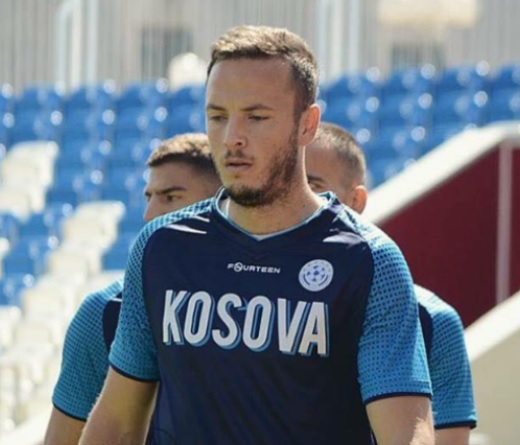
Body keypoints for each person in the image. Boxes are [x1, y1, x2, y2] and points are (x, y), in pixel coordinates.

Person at [82, 25, 434, 445]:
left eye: (256, 117)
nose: (232, 138)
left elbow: (407, 433)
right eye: (218, 116)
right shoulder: (162, 246)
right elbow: (117, 423)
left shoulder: (368, 260)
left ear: (307, 125)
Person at [306, 122, 478, 445]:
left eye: (313, 186)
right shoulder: (247, 293)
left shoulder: (432, 319)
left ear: (356, 200)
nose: (298, 199)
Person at [43, 132, 221, 445]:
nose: (149, 214)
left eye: (170, 197)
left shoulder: (263, 297)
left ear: (218, 202)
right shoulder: (102, 314)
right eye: (148, 197)